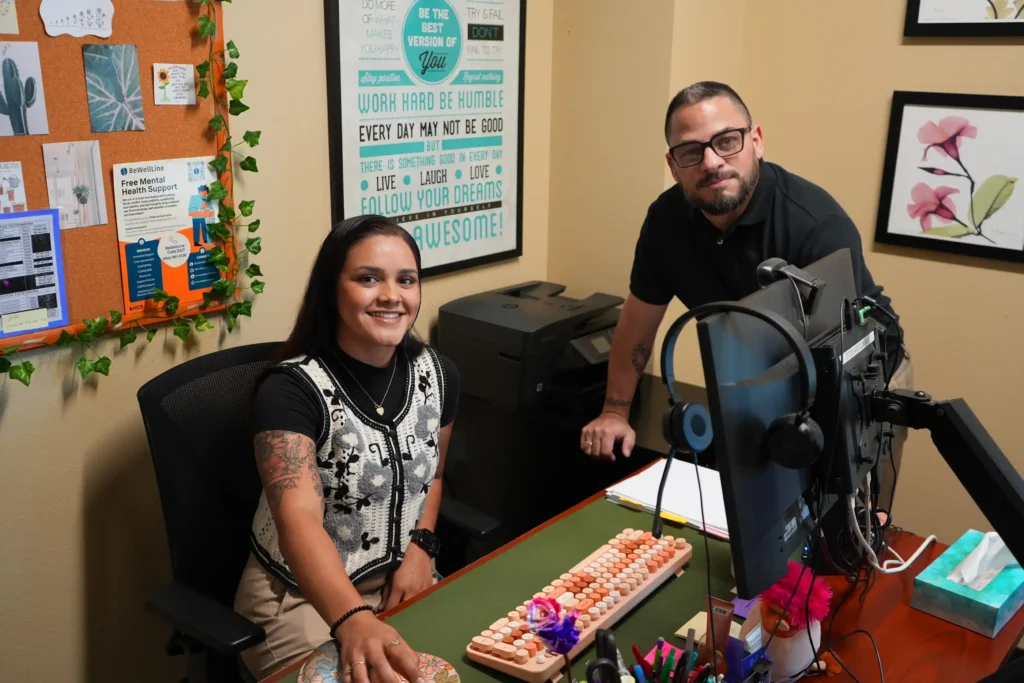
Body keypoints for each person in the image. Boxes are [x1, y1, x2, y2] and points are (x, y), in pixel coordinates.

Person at [579, 81, 911, 509]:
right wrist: (614, 412)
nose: (712, 162)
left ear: (756, 141)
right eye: (690, 151)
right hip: (759, 375)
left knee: (842, 525)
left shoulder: (814, 224)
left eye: (727, 142)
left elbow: (839, 358)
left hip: (859, 370)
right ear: (673, 163)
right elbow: (640, 318)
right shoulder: (665, 221)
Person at [234, 214, 461, 682]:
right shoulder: (290, 391)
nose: (391, 296)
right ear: (331, 289)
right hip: (300, 598)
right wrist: (352, 619)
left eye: (406, 280)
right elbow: (298, 522)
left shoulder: (439, 375)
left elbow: (434, 476)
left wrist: (422, 548)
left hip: (401, 580)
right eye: (367, 278)